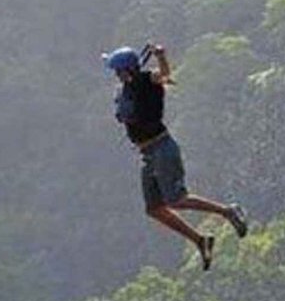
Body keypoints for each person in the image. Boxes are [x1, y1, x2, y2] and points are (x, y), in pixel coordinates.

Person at [103, 44, 248, 270]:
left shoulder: (147, 80)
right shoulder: (127, 88)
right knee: (154, 209)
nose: (115, 75)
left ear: (128, 70)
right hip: (147, 154)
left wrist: (161, 57)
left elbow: (164, 75)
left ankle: (228, 211)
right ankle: (201, 240)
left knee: (177, 199)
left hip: (162, 148)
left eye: (117, 70)